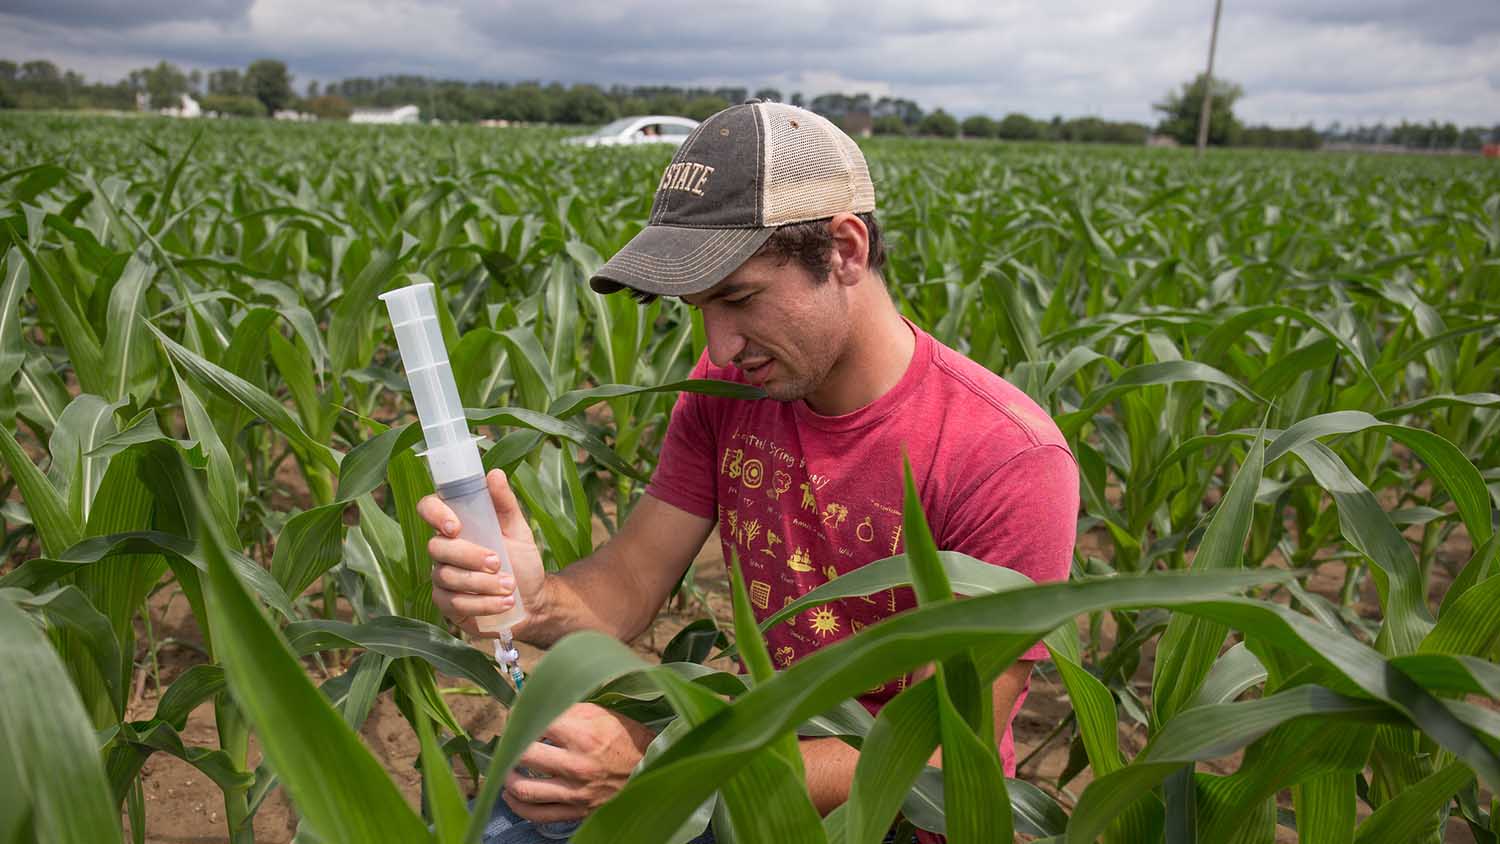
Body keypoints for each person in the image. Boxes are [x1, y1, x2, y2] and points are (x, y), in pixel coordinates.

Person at [417, 100, 1079, 843]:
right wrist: (532, 597)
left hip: (891, 812)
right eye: (701, 308)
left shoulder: (1005, 457)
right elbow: (631, 582)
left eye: (740, 298)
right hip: (757, 755)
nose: (723, 345)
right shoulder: (732, 391)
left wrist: (659, 768)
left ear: (846, 251)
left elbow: (933, 758)